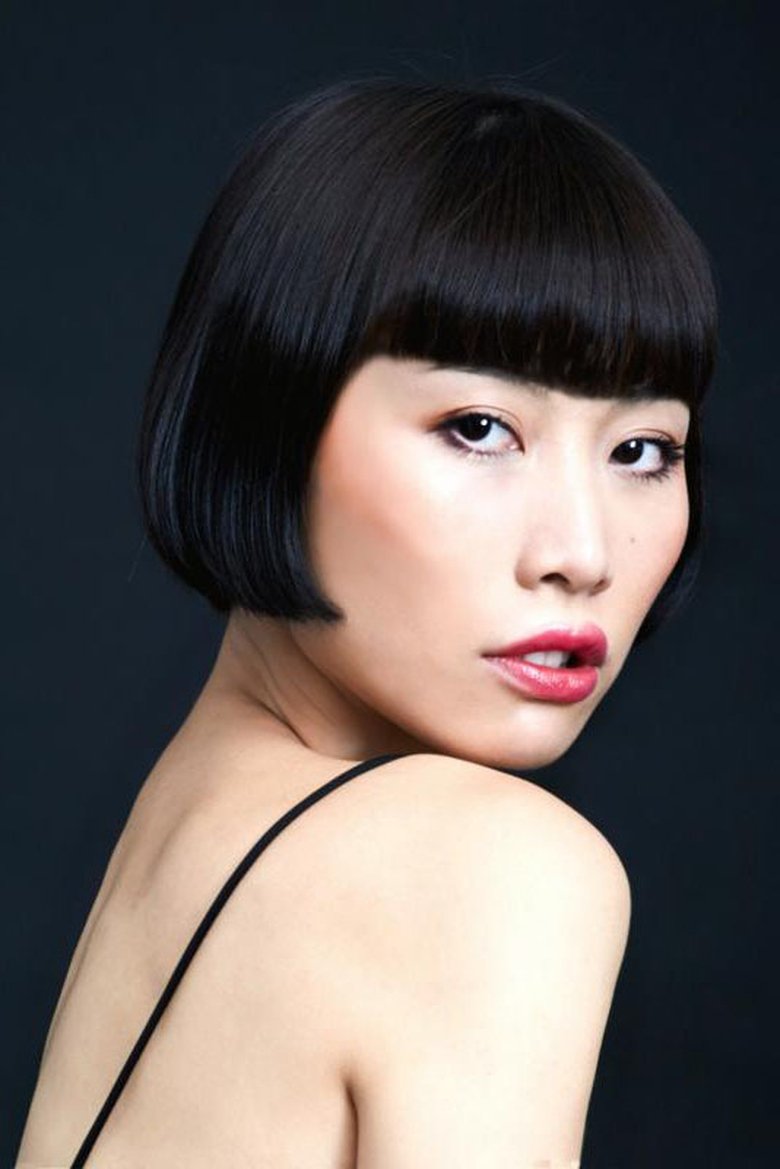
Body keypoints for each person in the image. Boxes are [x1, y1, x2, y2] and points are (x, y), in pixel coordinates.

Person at [16, 76, 717, 1169]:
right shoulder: (487, 865)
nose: (582, 552)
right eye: (479, 426)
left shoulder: (185, 823)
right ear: (269, 421)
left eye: (642, 450)